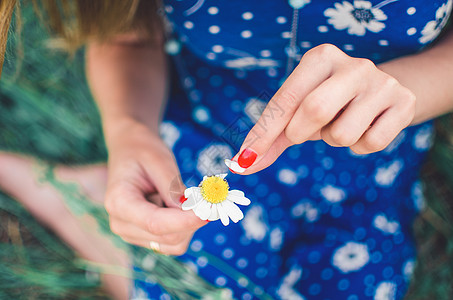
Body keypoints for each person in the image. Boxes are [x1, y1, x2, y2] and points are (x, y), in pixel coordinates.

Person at [2, 0, 453, 299]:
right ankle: (79, 202)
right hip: (213, 131)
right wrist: (129, 130)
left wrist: (404, 88)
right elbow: (126, 33)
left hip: (367, 158)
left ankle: (84, 201)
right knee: (194, 274)